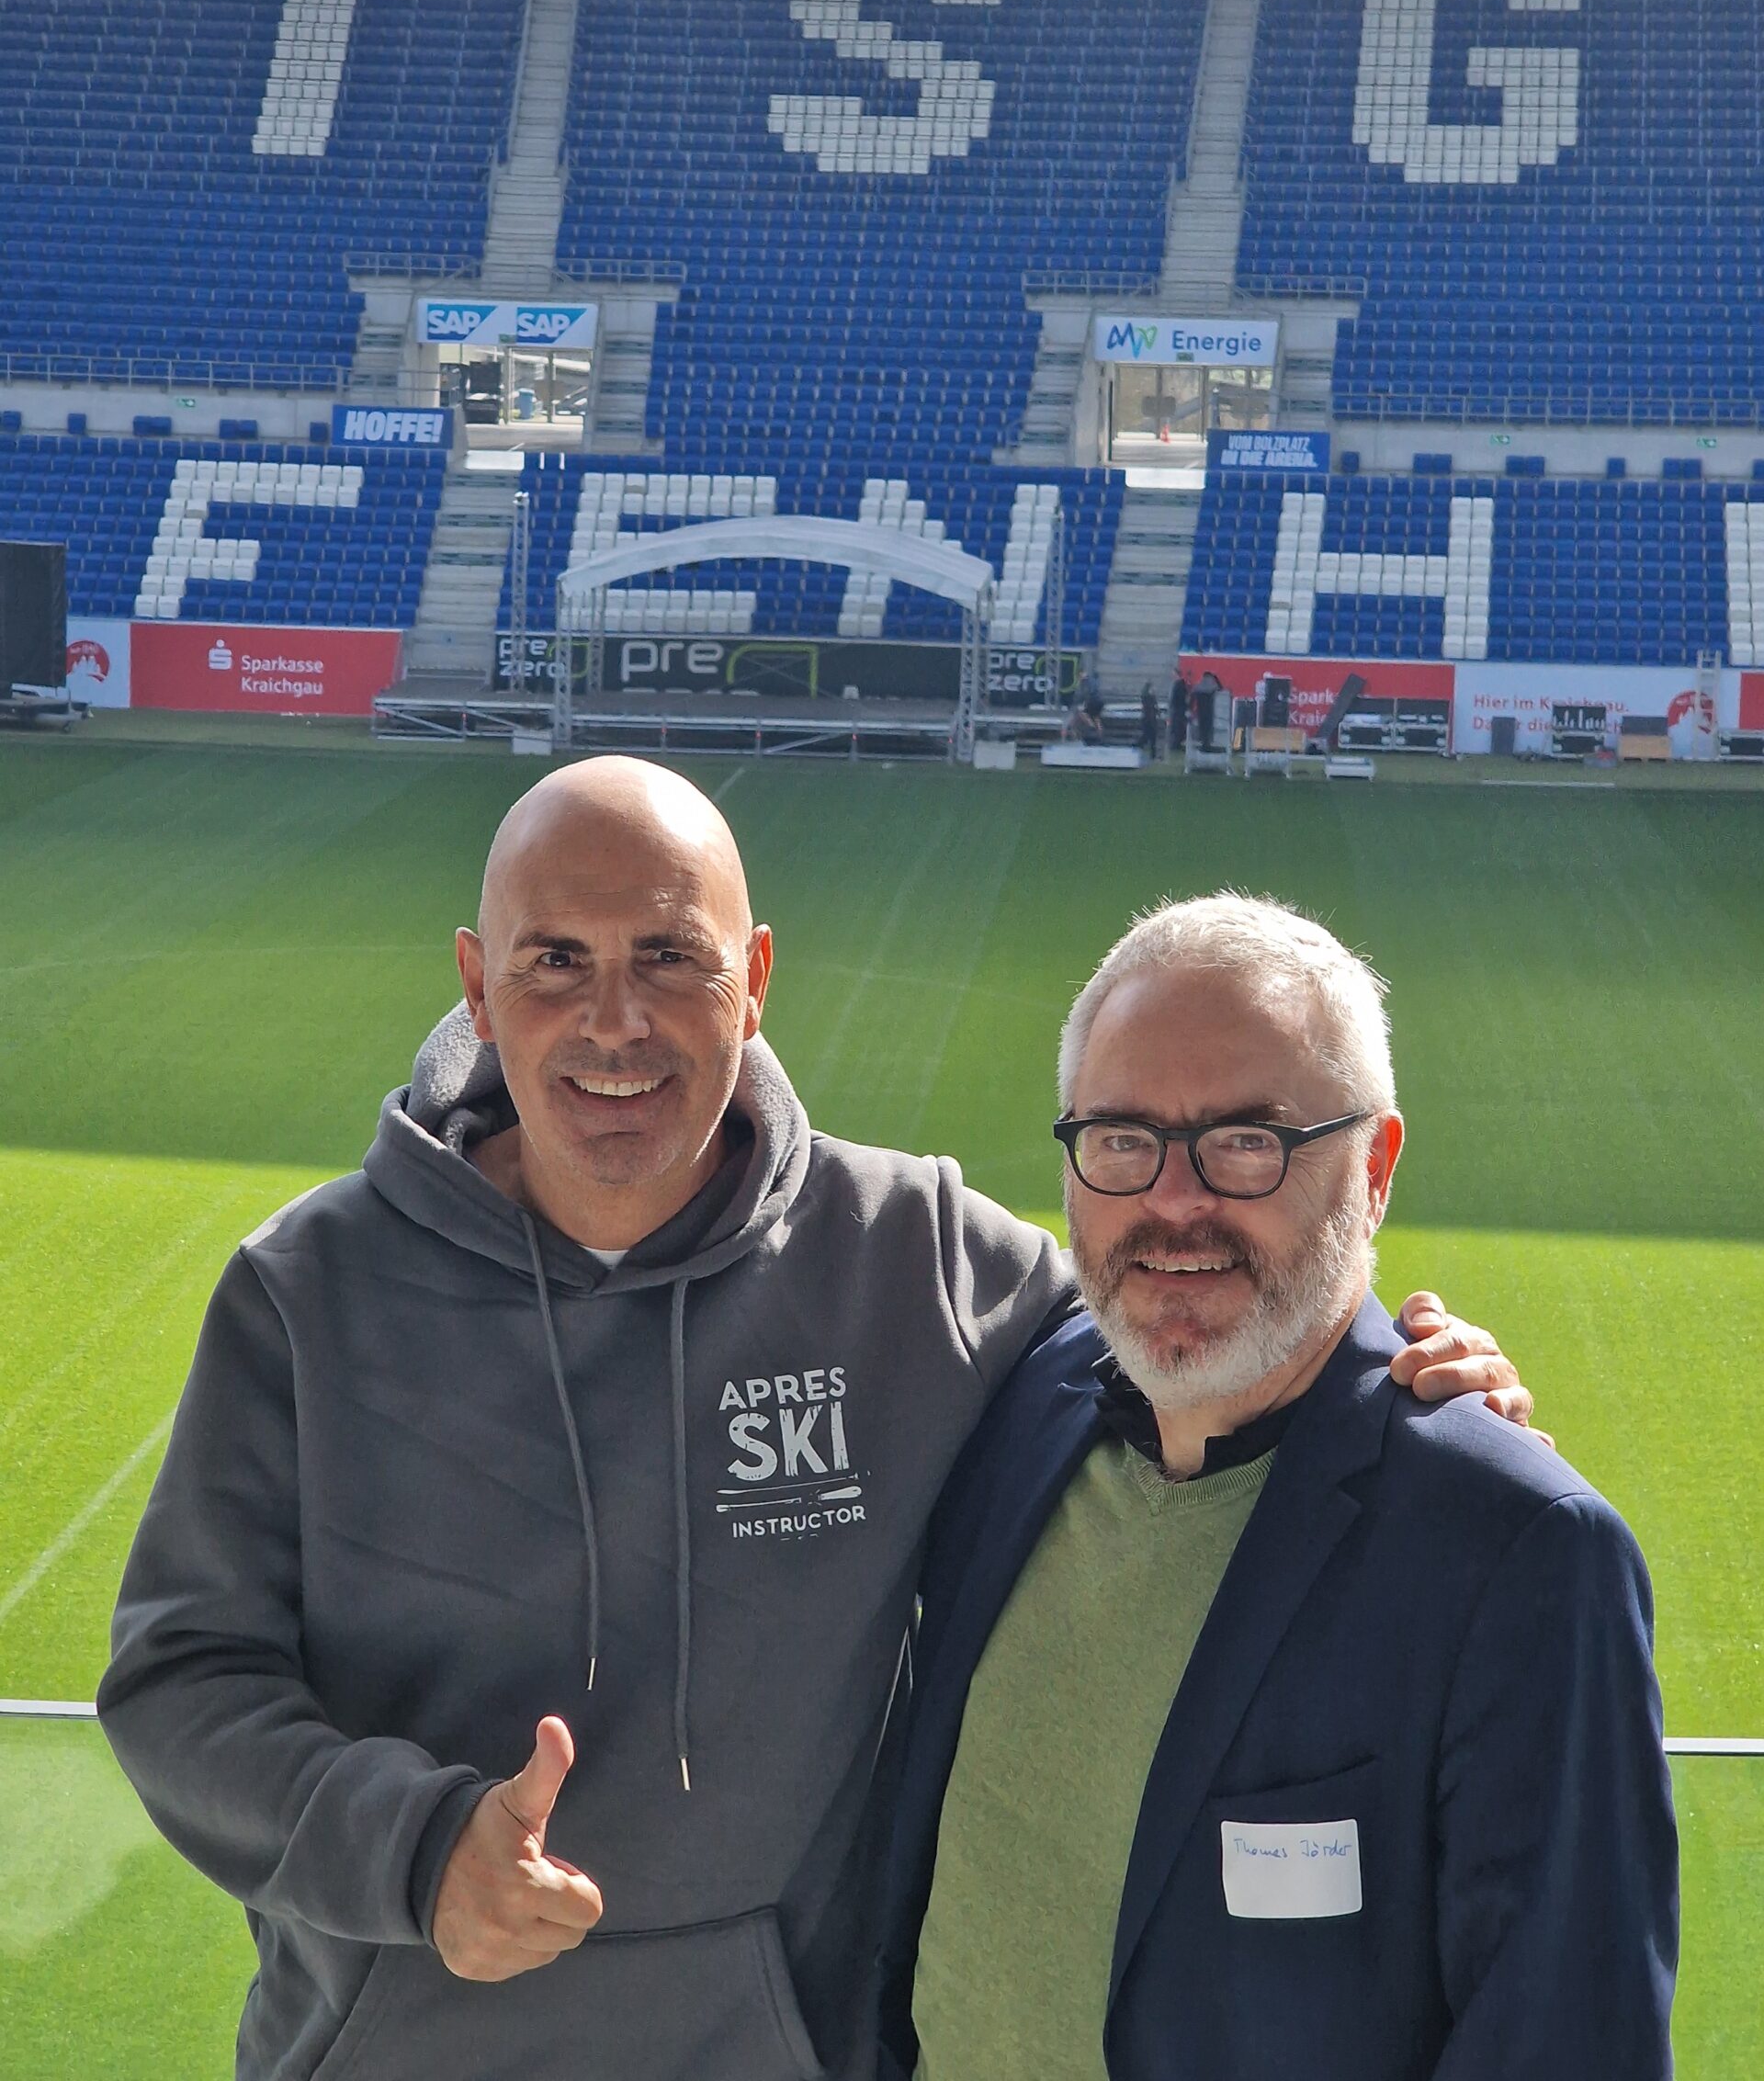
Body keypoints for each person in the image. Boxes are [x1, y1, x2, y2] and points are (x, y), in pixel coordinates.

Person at [98, 765, 1532, 2081]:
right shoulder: (307, 1294)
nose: (615, 1021)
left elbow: (1185, 1324)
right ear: (478, 986)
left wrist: (1393, 1372)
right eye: (556, 962)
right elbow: (178, 1681)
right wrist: (410, 1851)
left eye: (672, 957)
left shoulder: (917, 1262)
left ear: (758, 982)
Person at [879, 894, 1677, 2081]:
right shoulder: (1016, 1405)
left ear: (1376, 1167)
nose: (1174, 1201)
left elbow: (1567, 2044)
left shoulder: (1517, 1553)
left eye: (1248, 1141)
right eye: (1122, 1139)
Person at [1167, 668, 1189, 754]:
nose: (1172, 676)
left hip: (1177, 710)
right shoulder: (1181, 684)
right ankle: (1176, 744)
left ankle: (1175, 745)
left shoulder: (1178, 684)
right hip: (1179, 710)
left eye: (1173, 674)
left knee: (1176, 728)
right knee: (1177, 728)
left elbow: (1176, 699)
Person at [1137, 684, 1160, 759]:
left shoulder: (1151, 698)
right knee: (1149, 736)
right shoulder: (1147, 698)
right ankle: (1151, 753)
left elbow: (1155, 708)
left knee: (1150, 737)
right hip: (1148, 720)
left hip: (1150, 719)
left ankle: (1152, 754)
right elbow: (1150, 708)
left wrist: (1157, 712)